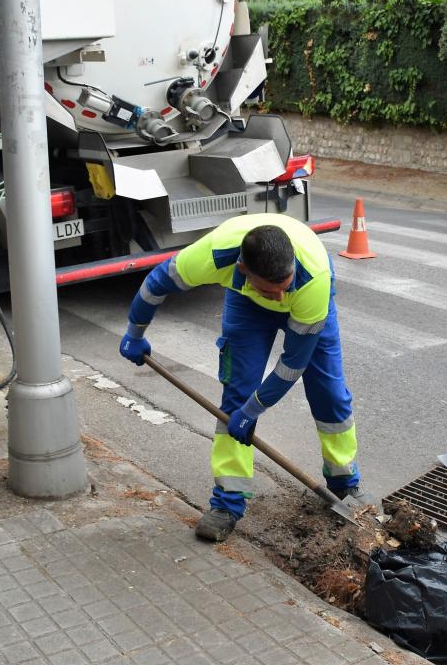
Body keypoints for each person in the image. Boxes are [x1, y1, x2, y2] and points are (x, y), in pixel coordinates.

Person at [119, 213, 362, 542]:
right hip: (247, 306)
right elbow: (155, 285)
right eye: (271, 290)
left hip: (307, 303)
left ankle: (344, 482)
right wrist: (135, 333)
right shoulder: (213, 255)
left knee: (329, 392)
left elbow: (292, 365)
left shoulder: (311, 279)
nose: (278, 297)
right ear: (243, 269)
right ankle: (227, 503)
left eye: (283, 287)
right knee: (236, 396)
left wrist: (254, 410)